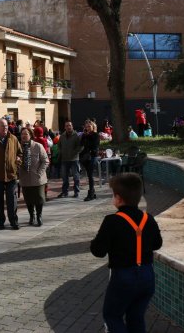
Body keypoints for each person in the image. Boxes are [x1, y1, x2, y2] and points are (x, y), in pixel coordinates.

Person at [90, 173, 163, 332]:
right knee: (136, 318)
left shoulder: (112, 221)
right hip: (147, 276)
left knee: (112, 316)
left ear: (118, 198)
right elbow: (157, 244)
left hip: (123, 277)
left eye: (113, 195)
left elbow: (98, 251)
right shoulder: (148, 218)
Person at [18, 127, 49, 226]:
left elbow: (45, 161)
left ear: (30, 135)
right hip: (25, 178)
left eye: (26, 133)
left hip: (37, 178)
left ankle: (39, 216)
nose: (24, 136)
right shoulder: (18, 148)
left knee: (39, 198)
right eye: (22, 134)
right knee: (28, 199)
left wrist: (39, 172)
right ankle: (32, 216)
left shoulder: (38, 146)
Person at [57, 121, 82, 198]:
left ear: (72, 126)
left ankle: (76, 192)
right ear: (65, 127)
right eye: (67, 126)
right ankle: (65, 192)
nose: (68, 127)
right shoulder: (62, 136)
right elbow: (59, 145)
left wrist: (74, 152)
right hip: (64, 159)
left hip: (74, 159)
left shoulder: (76, 136)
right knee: (65, 177)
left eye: (70, 125)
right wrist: (61, 151)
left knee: (76, 177)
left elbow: (80, 146)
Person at [80, 120, 100, 202]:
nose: (87, 128)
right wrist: (84, 135)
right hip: (85, 157)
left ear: (93, 127)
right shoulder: (85, 135)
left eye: (89, 126)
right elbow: (81, 144)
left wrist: (87, 136)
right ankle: (93, 192)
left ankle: (91, 193)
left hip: (92, 157)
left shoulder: (95, 135)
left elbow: (94, 145)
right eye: (86, 126)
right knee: (89, 175)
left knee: (91, 175)